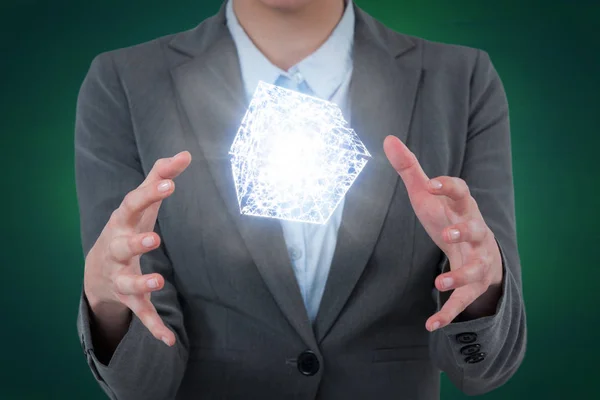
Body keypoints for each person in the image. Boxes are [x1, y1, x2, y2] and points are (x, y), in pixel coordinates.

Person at [75, 0, 527, 399]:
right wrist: (109, 308)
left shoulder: (461, 81)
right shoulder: (124, 84)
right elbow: (141, 386)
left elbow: (483, 369)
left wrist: (483, 292)